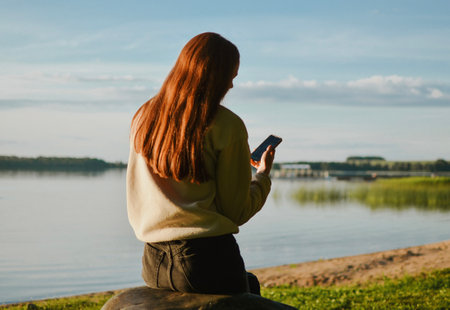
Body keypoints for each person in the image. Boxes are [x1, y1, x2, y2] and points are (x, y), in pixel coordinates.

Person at [126, 32, 275, 295]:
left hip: (154, 261)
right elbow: (236, 211)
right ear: (215, 76)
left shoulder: (144, 117)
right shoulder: (228, 125)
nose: (231, 85)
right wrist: (262, 175)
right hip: (208, 258)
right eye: (230, 76)